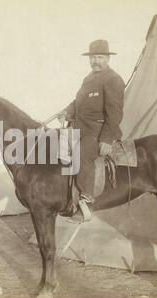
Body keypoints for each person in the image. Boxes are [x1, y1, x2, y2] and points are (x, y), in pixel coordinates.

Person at [58, 39, 125, 217]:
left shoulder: (113, 79)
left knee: (82, 155)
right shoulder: (88, 79)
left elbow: (115, 113)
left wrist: (106, 139)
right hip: (81, 129)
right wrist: (66, 111)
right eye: (93, 57)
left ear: (108, 59)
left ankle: (86, 201)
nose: (95, 61)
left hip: (98, 132)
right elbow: (77, 103)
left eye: (100, 57)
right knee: (58, 149)